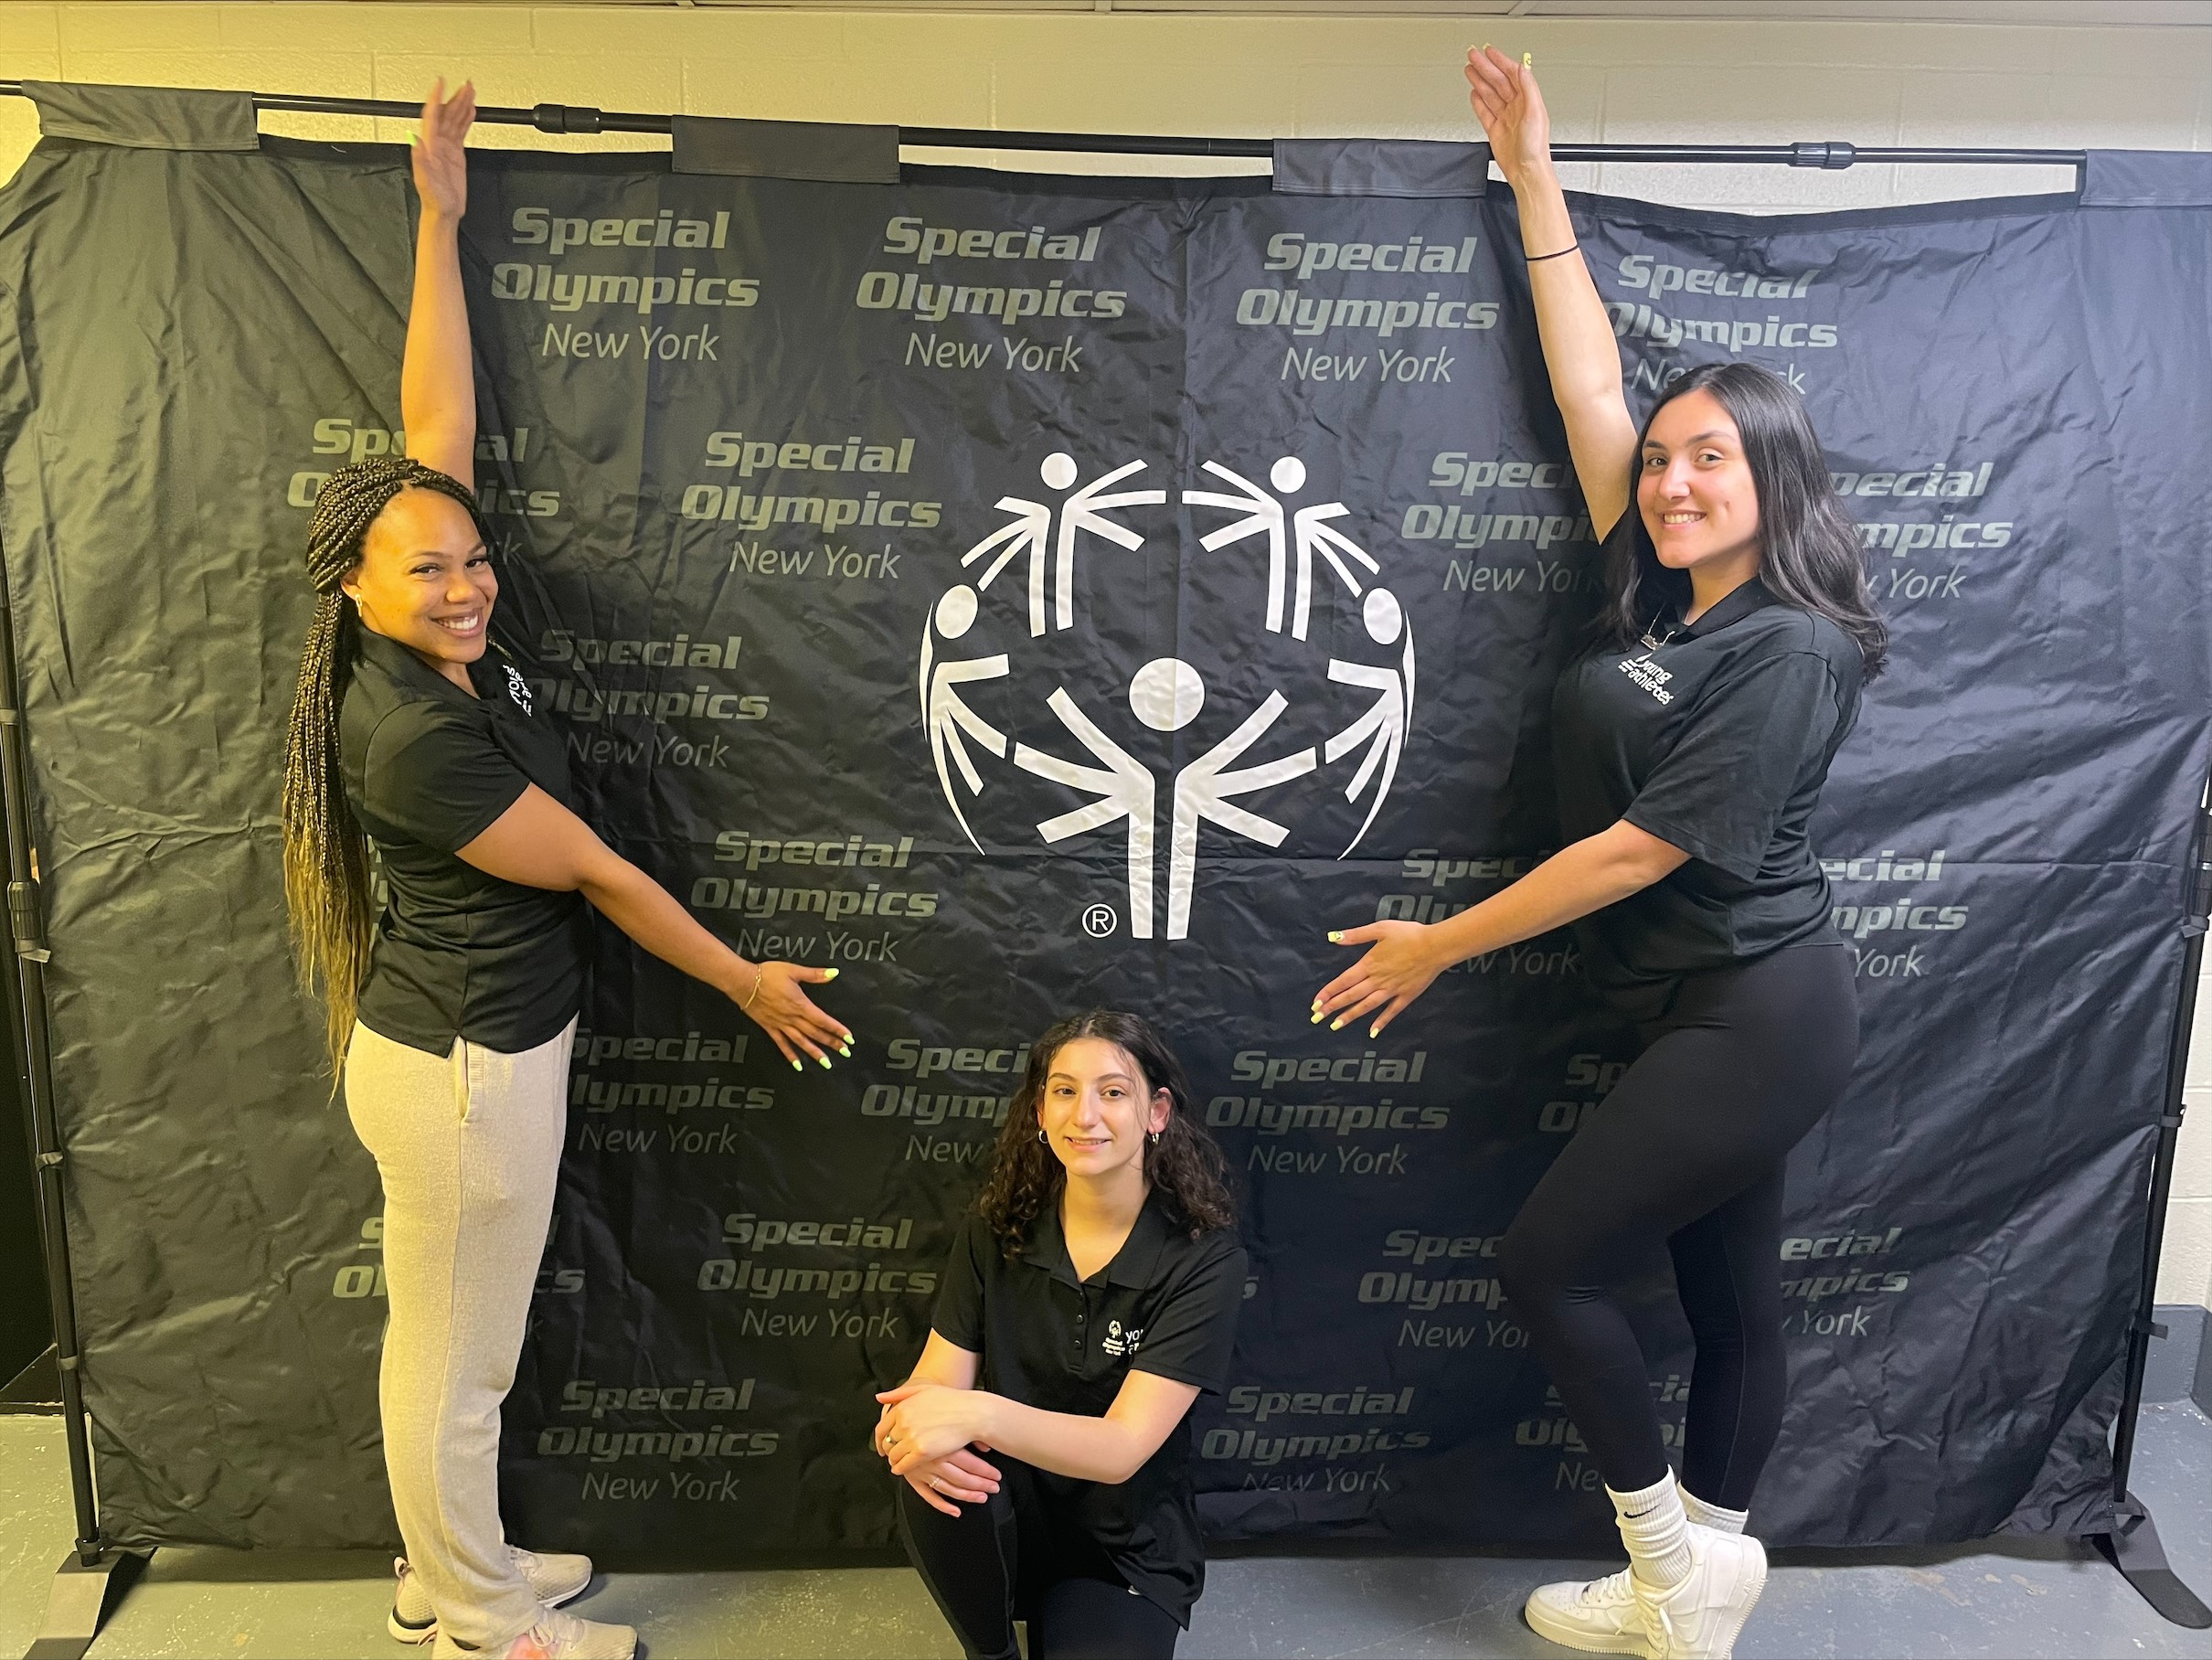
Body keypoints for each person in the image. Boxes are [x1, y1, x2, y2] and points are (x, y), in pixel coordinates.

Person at [1313, 46, 1887, 1660]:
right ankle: (1697, 1592)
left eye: (1716, 458)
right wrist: (1533, 177)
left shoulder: (1790, 647)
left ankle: (1670, 1574)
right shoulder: (1650, 583)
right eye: (1669, 454)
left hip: (1757, 1006)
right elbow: (1586, 391)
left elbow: (1638, 854)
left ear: (1777, 484)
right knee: (1731, 1303)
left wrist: (1435, 945)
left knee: (1547, 1264)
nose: (1676, 475)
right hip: (1692, 1012)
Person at [279, 81, 853, 1660]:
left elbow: (435, 439)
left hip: (476, 1044)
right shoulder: (411, 739)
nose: (465, 584)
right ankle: (477, 1618)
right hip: (466, 1063)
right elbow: (598, 869)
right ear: (355, 588)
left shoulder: (431, 636)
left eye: (470, 560)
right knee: (457, 1358)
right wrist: (741, 978)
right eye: (430, 570)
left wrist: (440, 215)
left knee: (457, 1341)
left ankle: (443, 1565)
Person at [874, 1011, 1246, 1660]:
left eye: (1113, 1091)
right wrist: (909, 1427)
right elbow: (935, 1382)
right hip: (1009, 1514)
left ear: (1157, 1112)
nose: (1085, 1115)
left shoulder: (1203, 1257)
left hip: (1124, 1545)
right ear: (1040, 1113)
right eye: (1064, 1091)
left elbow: (1122, 1448)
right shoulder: (997, 1228)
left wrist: (972, 1411)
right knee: (927, 1463)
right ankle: (991, 1652)